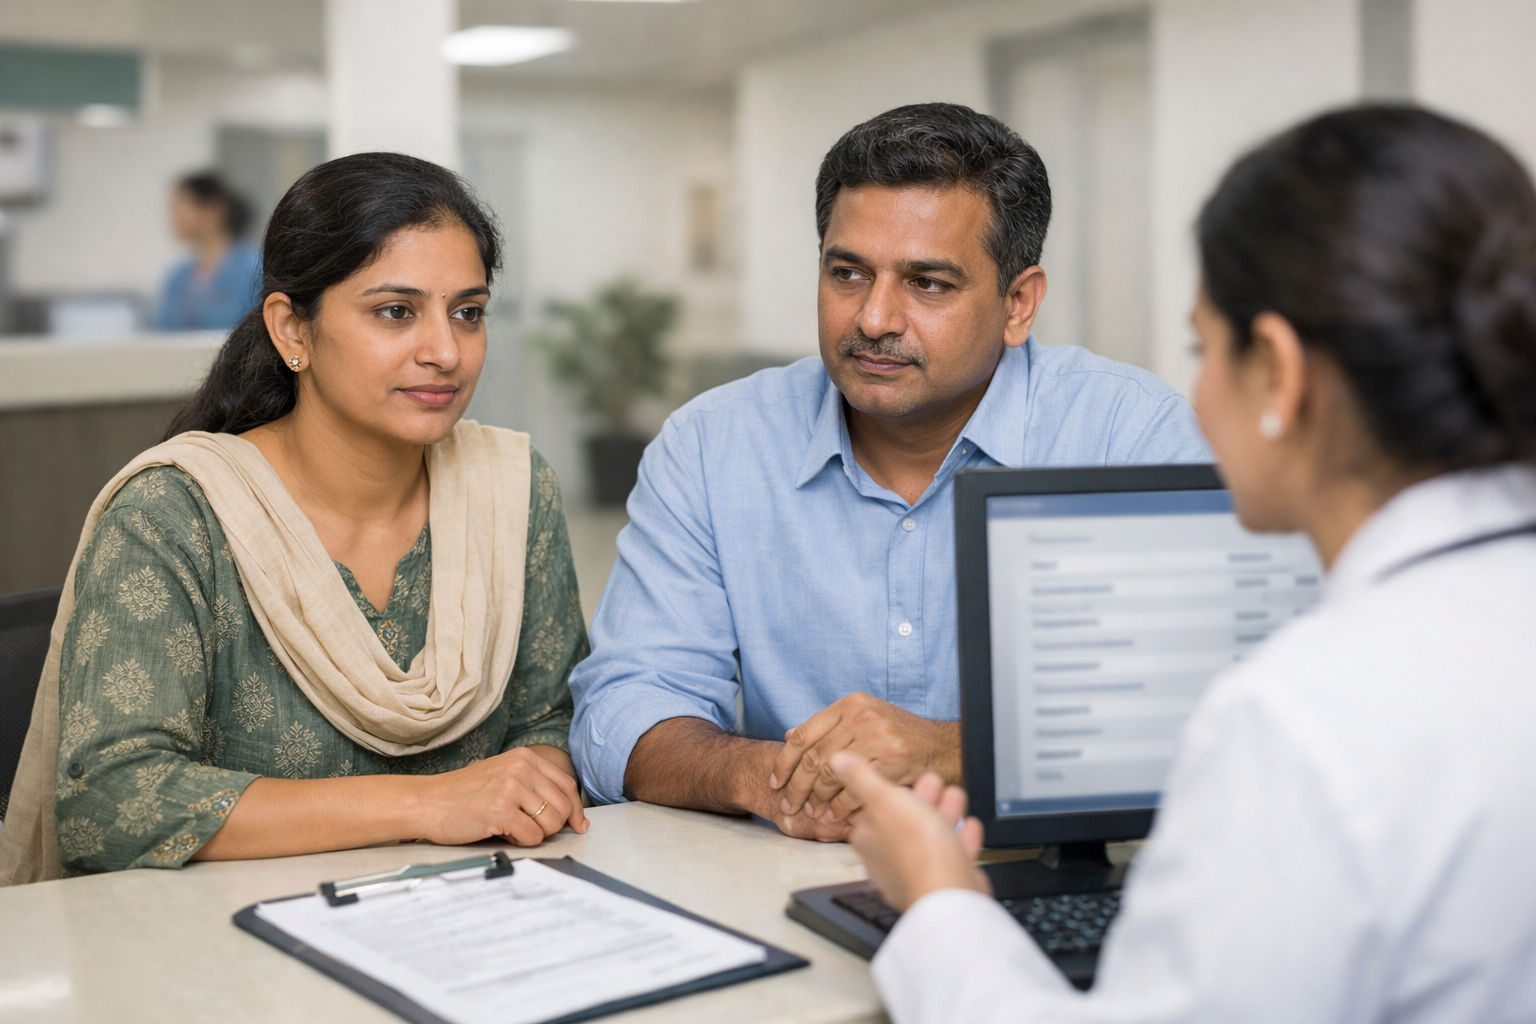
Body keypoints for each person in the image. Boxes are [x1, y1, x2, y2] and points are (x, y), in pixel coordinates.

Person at [830, 105, 1536, 1022]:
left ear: (1277, 370)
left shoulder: (1302, 721)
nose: (1193, 402)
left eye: (1205, 348)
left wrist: (935, 899)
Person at [569, 102, 1209, 840]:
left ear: (1019, 303)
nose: (873, 318)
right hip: (786, 881)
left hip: (1062, 879)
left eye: (927, 283)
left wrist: (952, 751)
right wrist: (769, 778)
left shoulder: (1129, 435)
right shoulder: (712, 447)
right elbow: (625, 710)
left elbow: (1206, 707)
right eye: (848, 273)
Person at [0, 153, 589, 884]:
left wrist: (535, 784)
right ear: (292, 332)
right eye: (396, 312)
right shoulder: (176, 515)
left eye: (467, 312)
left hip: (471, 930)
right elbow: (112, 803)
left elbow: (549, 725)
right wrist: (425, 804)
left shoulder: (513, 491)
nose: (446, 352)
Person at [153, 171, 263, 332]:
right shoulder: (177, 278)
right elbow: (160, 333)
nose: (173, 216)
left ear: (213, 209)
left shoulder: (253, 269)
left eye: (180, 206)